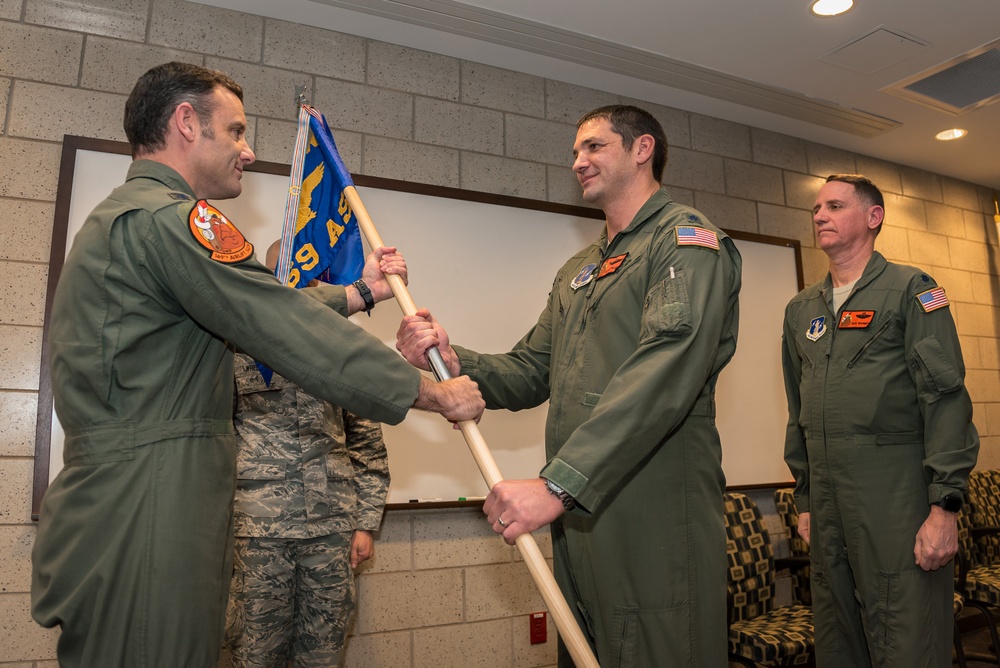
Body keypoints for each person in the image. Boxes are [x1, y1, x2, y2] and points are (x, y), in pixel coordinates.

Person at [30, 61, 484, 668]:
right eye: (237, 131)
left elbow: (258, 307)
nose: (247, 151)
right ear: (186, 123)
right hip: (151, 503)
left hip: (148, 493)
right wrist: (429, 393)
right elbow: (273, 317)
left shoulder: (132, 220)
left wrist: (361, 293)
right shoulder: (169, 219)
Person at [396, 105, 742, 666]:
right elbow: (533, 370)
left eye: (594, 147)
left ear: (642, 149)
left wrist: (556, 486)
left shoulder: (684, 241)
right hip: (581, 509)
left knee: (656, 646)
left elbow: (666, 369)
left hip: (648, 500)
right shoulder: (580, 268)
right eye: (575, 151)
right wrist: (454, 360)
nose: (578, 161)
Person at [781, 174, 979, 667]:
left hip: (895, 500)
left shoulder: (912, 290)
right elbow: (797, 410)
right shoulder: (801, 309)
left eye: (835, 205)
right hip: (828, 507)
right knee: (836, 636)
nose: (820, 215)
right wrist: (806, 499)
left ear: (874, 217)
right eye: (817, 208)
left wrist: (945, 507)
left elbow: (945, 400)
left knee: (908, 635)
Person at [225, 241, 396, 667]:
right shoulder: (231, 346)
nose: (306, 287)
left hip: (332, 530)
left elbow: (368, 447)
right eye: (291, 277)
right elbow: (210, 441)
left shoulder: (343, 348)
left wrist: (364, 523)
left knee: (323, 654)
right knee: (253, 653)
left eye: (314, 277)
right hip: (256, 531)